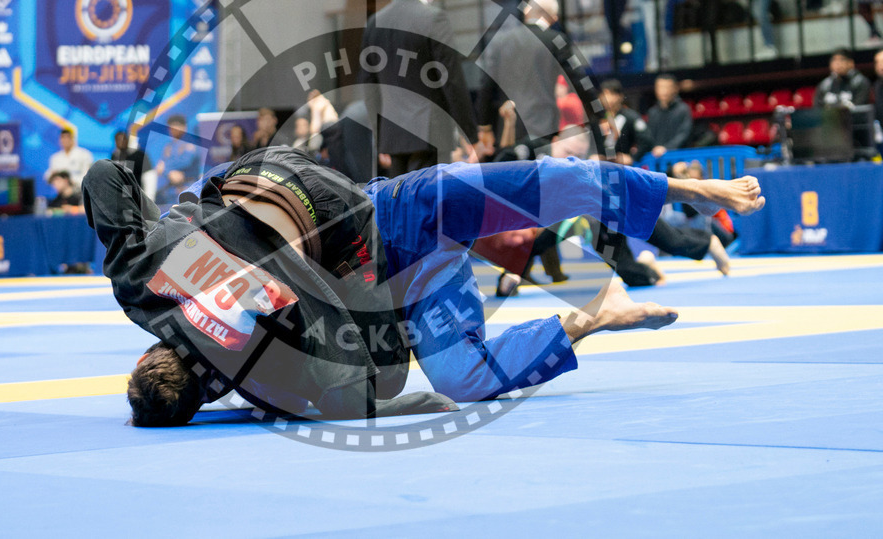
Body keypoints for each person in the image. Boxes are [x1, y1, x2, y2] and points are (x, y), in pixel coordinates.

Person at [83, 144, 765, 426]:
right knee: (539, 192)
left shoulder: (270, 376)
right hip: (377, 208)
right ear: (146, 354)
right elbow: (104, 176)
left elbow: (377, 385)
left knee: (461, 376)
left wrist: (278, 399)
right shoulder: (145, 283)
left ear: (203, 397)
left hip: (389, 254)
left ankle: (593, 311)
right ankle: (675, 200)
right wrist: (182, 211)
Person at [358, 0, 482, 177]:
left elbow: (369, 86)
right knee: (428, 208)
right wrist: (470, 136)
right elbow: (451, 80)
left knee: (400, 207)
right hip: (430, 135)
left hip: (392, 138)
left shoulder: (374, 22)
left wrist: (380, 138)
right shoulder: (434, 18)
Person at [476, 0, 563, 158]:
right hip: (543, 127)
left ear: (527, 11)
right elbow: (578, 82)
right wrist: (601, 117)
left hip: (508, 126)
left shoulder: (500, 40)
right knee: (540, 180)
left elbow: (486, 85)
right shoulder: (555, 40)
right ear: (554, 18)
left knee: (509, 177)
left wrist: (484, 126)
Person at [599, 79, 653, 164]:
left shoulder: (630, 116)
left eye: (612, 94)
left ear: (620, 96)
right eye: (605, 94)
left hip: (624, 166)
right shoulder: (598, 118)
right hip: (604, 165)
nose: (608, 98)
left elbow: (646, 140)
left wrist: (633, 157)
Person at [154, 114, 199, 204]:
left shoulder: (191, 143)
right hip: (171, 190)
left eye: (177, 126)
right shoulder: (169, 146)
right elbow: (160, 167)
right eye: (171, 127)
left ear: (184, 127)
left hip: (189, 186)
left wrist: (166, 168)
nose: (173, 129)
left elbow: (185, 161)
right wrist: (168, 171)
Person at [647, 74, 693, 158]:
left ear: (675, 89)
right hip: (657, 158)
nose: (664, 91)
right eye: (660, 87)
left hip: (679, 157)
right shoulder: (652, 112)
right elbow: (649, 137)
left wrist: (666, 148)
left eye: (667, 87)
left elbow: (684, 134)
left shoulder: (683, 109)